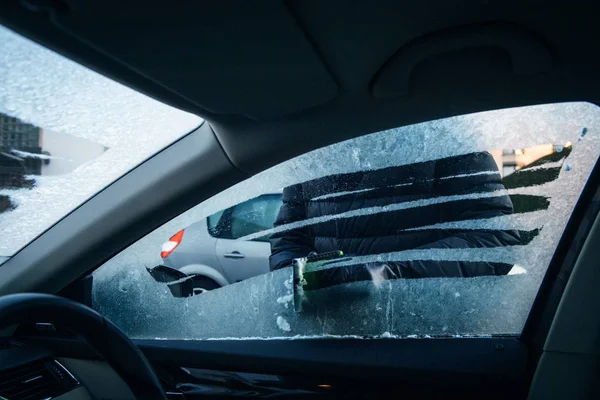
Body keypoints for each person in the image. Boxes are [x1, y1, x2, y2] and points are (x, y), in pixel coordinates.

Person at [269, 151, 521, 281]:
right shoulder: (312, 156)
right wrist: (300, 279)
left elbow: (495, 242)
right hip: (327, 333)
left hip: (425, 332)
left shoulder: (447, 141)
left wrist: (381, 274)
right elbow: (288, 241)